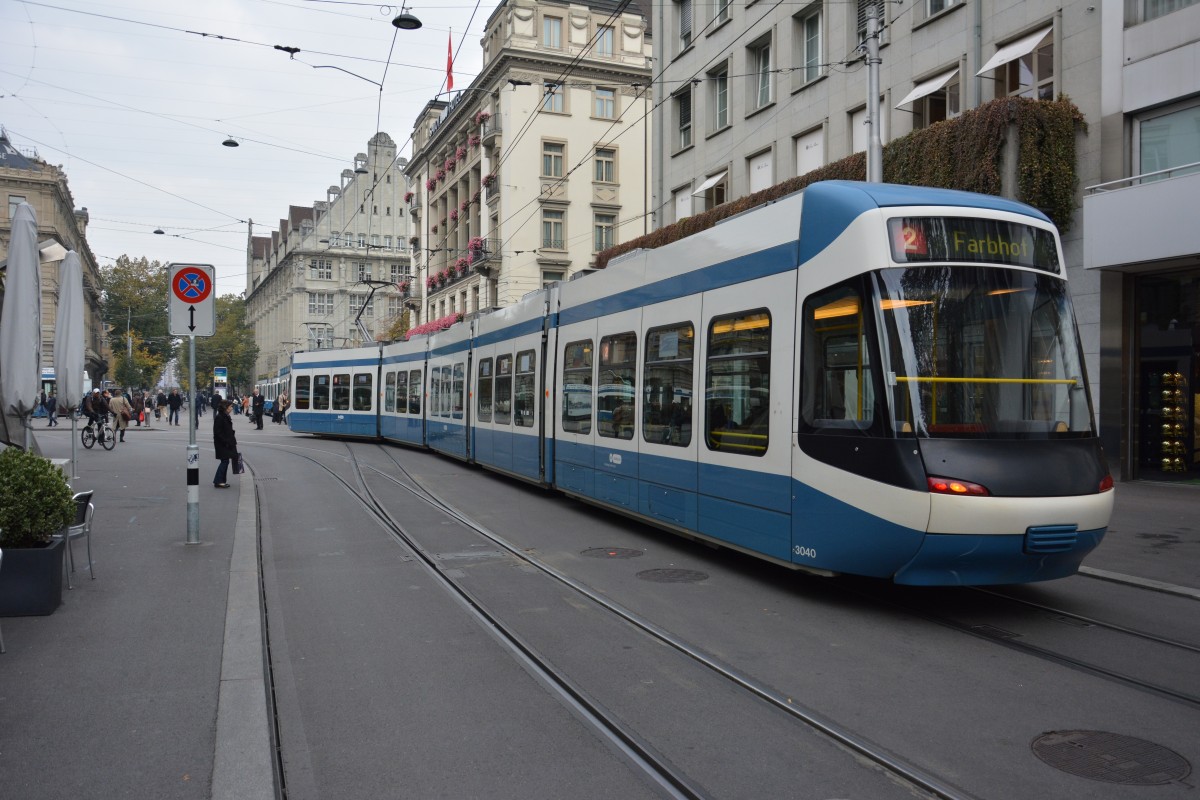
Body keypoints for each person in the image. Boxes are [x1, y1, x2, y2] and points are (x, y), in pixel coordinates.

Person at [212, 399, 239, 488]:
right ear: (225, 407)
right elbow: (218, 432)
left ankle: (221, 480)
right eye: (230, 406)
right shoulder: (220, 417)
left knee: (225, 461)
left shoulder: (225, 416)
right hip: (222, 444)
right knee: (225, 461)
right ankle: (218, 481)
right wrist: (226, 442)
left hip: (226, 443)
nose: (231, 408)